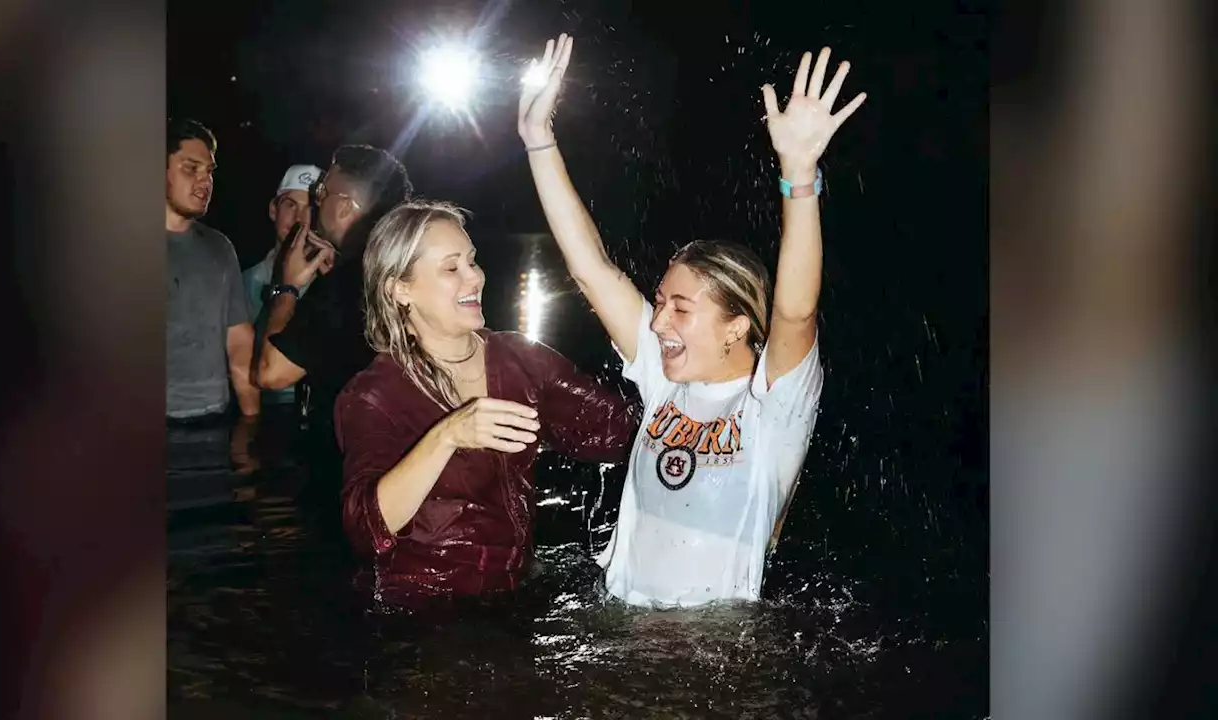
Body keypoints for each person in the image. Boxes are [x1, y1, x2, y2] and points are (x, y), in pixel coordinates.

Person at [518, 35, 867, 607]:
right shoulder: (664, 378)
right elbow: (591, 269)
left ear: (737, 324)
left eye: (681, 308)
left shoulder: (772, 407)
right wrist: (538, 140)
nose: (658, 324)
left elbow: (795, 308)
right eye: (659, 303)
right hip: (620, 637)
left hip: (711, 663)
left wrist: (799, 174)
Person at [334, 200, 640, 608]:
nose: (474, 277)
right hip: (415, 614)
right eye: (451, 268)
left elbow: (623, 434)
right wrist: (448, 434)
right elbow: (367, 529)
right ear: (400, 288)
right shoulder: (374, 395)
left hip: (511, 600)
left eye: (472, 261)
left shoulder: (520, 360)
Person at [255, 145, 411, 425]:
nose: (316, 203)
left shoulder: (343, 285)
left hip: (350, 452)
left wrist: (286, 288)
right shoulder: (400, 268)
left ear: (343, 207)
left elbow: (271, 373)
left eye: (321, 193)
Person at [166, 117, 260, 421]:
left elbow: (239, 344)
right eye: (190, 169)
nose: (205, 182)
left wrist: (251, 423)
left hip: (213, 422)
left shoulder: (219, 248)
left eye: (209, 172)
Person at [242, 163, 322, 406]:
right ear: (273, 210)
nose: (300, 218)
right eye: (290, 204)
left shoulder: (335, 282)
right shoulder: (244, 281)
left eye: (310, 208)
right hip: (262, 409)